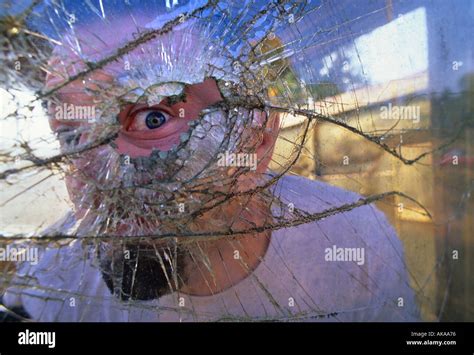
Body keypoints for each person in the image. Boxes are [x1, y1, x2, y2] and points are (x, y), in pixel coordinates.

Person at [1, 7, 419, 322]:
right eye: (71, 135)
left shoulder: (354, 242)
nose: (91, 181)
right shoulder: (52, 272)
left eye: (152, 118)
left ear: (257, 138)